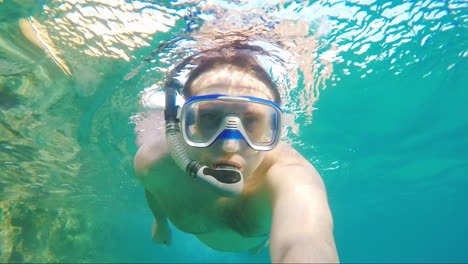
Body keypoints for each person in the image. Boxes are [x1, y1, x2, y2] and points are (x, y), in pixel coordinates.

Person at [133, 46, 339, 263]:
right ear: (185, 123)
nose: (230, 146)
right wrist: (161, 223)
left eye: (251, 121)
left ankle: (262, 241)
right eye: (210, 117)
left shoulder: (291, 178)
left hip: (259, 240)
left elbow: (306, 242)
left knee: (259, 243)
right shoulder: (155, 163)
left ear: (272, 129)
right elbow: (154, 189)